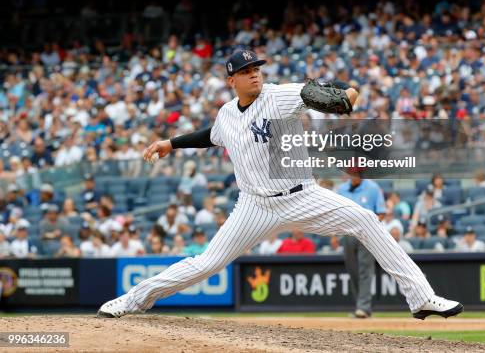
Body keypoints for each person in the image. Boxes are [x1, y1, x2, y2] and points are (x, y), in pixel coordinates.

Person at [98, 50, 463, 320]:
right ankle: (133, 300)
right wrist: (170, 143)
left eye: (256, 68)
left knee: (366, 220)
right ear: (232, 81)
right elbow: (212, 136)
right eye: (246, 70)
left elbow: (315, 94)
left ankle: (421, 297)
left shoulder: (277, 95)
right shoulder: (226, 114)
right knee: (206, 263)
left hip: (301, 196)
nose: (254, 74)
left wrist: (345, 93)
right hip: (253, 206)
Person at [337, 169, 386, 318]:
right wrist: (334, 233)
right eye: (352, 172)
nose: (354, 175)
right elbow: (335, 213)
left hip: (366, 234)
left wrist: (372, 230)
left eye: (357, 173)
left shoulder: (372, 188)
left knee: (365, 270)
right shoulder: (341, 189)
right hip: (347, 233)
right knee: (353, 270)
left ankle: (363, 307)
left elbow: (381, 212)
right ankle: (362, 306)